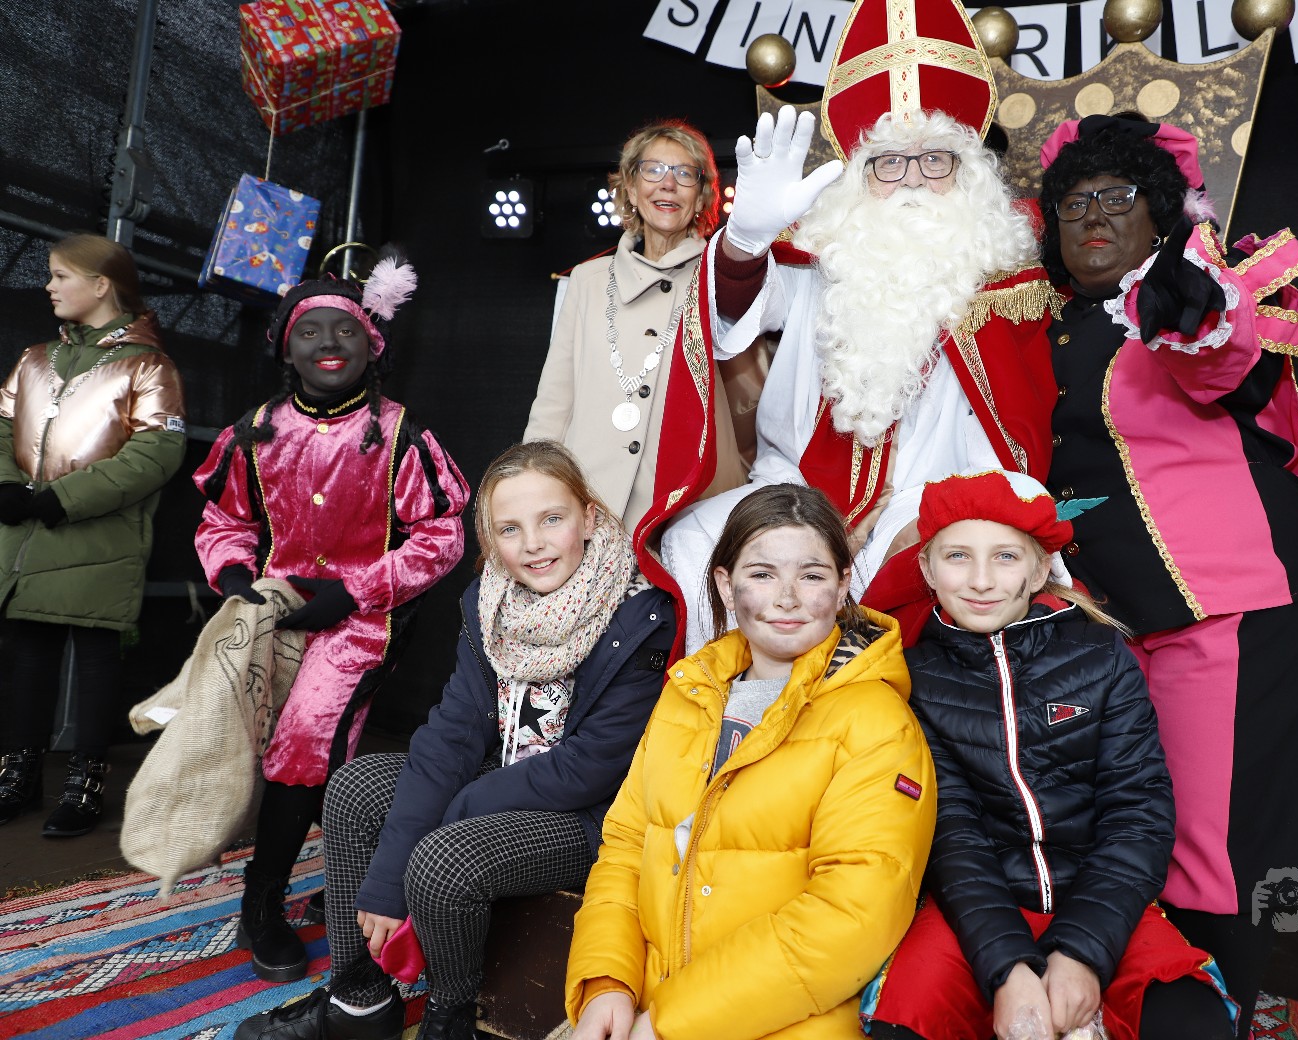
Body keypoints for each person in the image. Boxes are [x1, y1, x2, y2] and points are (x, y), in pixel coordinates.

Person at [1036, 115, 1298, 1039]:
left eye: (1117, 197)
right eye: (1074, 203)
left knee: (1220, 850)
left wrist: (1195, 309)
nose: (1095, 216)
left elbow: (1226, 361)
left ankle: (1218, 1019)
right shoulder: (1051, 323)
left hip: (1231, 603)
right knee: (1140, 835)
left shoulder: (1186, 295)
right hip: (1123, 623)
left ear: (1161, 211)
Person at [640, 0, 1063, 652]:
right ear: (858, 177)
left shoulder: (1002, 288)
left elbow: (1010, 450)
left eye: (935, 160)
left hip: (925, 505)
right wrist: (745, 242)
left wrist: (937, 518)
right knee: (697, 542)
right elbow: (730, 315)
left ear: (969, 174)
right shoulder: (817, 263)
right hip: (790, 491)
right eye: (889, 162)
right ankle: (721, 709)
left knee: (955, 557)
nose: (913, 182)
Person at [231, 440, 674, 1040]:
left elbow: (589, 768)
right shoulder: (489, 601)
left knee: (443, 858)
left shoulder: (641, 615)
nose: (534, 544)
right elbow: (453, 735)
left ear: (589, 518)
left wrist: (451, 815)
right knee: (356, 787)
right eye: (510, 529)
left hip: (588, 816)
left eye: (552, 519)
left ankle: (451, 1015)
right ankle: (359, 1000)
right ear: (490, 540)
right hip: (501, 774)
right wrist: (386, 879)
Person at [861, 471, 1234, 1040]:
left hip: (1102, 895)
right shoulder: (915, 679)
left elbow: (1138, 813)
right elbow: (951, 835)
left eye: (1005, 556)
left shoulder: (1101, 657)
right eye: (958, 556)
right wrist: (1008, 968)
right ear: (928, 570)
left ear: (1037, 572)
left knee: (1191, 1023)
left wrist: (1080, 952)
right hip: (975, 906)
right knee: (900, 1025)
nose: (981, 580)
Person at [564, 483, 937, 1040]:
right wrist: (606, 983)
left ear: (842, 587)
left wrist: (672, 1023)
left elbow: (851, 917)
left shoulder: (878, 723)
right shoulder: (689, 695)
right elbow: (625, 848)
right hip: (649, 1004)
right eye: (762, 574)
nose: (786, 597)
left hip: (784, 1021)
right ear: (725, 583)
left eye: (811, 576)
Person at [194, 257, 469, 984]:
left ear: (370, 346)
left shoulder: (400, 434)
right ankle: (352, 873)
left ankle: (261, 902)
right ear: (285, 348)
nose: (326, 341)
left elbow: (442, 535)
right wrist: (234, 577)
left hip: (358, 625)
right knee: (302, 750)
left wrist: (355, 593)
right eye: (308, 330)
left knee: (308, 737)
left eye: (343, 329)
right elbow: (225, 521)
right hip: (273, 618)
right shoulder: (255, 432)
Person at [0, 233, 185, 838]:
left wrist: (67, 498)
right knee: (30, 649)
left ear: (101, 284)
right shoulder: (34, 358)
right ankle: (20, 775)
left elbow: (157, 452)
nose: (49, 286)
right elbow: (1, 430)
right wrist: (7, 485)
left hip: (101, 540)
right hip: (27, 538)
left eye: (60, 275)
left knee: (97, 657)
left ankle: (86, 784)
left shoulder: (149, 366)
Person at [524, 119, 747, 534]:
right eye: (653, 170)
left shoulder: (721, 278)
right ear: (629, 187)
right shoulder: (588, 280)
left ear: (702, 196)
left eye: (684, 173)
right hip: (589, 503)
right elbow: (554, 401)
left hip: (690, 510)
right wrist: (531, 492)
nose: (668, 184)